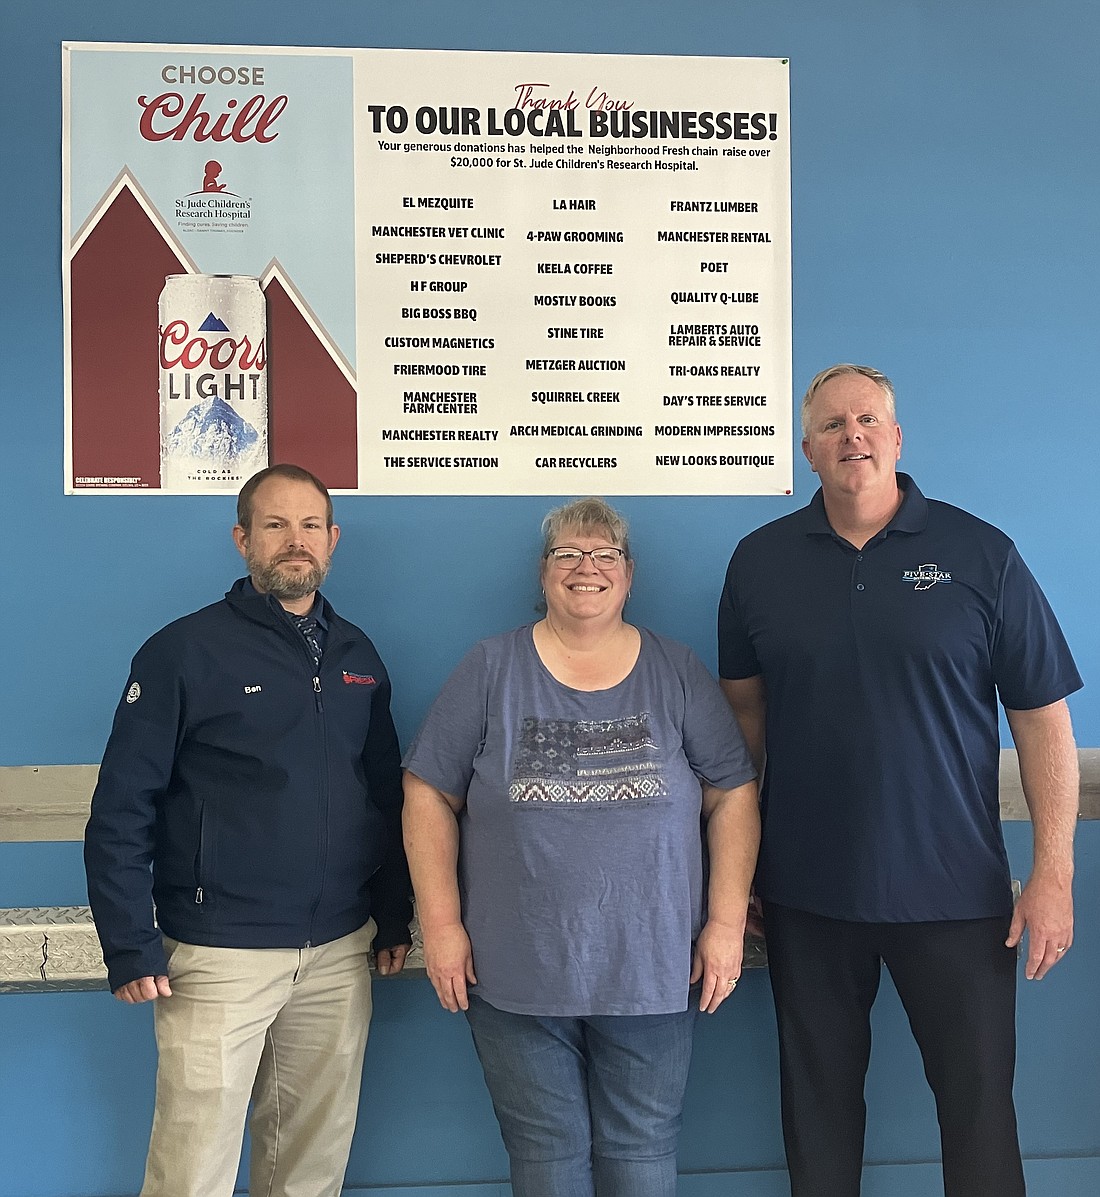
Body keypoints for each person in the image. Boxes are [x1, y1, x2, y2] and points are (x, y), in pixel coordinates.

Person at [718, 363, 1082, 1197]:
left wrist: (1053, 872)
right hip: (807, 896)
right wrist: (732, 878)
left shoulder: (981, 553)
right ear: (806, 449)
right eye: (834, 425)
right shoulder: (758, 563)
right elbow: (742, 725)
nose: (854, 435)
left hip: (959, 896)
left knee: (981, 1115)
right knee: (817, 1122)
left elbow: (1043, 720)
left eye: (869, 419)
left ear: (897, 438)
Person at [403, 497, 760, 1197]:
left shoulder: (677, 670)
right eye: (568, 553)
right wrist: (441, 925)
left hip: (655, 969)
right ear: (543, 574)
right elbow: (427, 794)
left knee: (642, 1155)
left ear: (629, 574)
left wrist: (724, 924)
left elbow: (733, 793)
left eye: (603, 554)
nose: (586, 566)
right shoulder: (490, 667)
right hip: (515, 974)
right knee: (545, 1157)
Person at [84, 463, 412, 1197]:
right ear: (242, 539)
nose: (294, 542)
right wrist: (129, 940)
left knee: (309, 1164)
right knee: (192, 1167)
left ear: (332, 540)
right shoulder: (183, 651)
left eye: (309, 525)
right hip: (217, 952)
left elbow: (386, 799)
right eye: (274, 524)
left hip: (336, 950)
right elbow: (120, 807)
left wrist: (393, 913)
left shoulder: (359, 655)